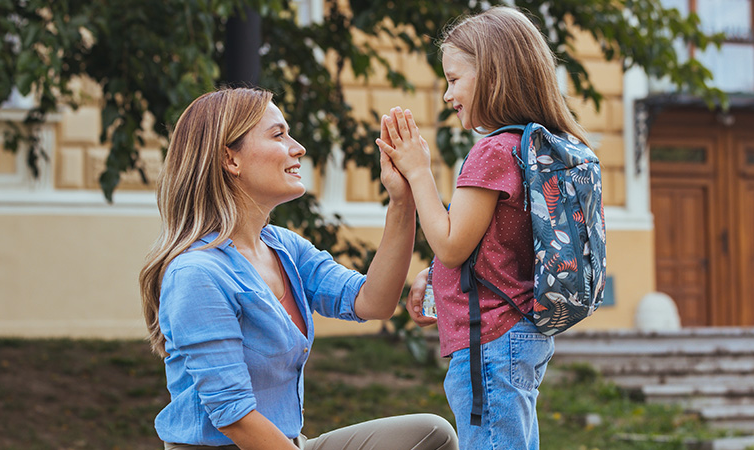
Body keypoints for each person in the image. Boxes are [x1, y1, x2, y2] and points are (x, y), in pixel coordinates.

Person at [138, 87, 458, 450]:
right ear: (231, 159)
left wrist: (402, 200)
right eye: (278, 135)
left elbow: (372, 301)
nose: (298, 147)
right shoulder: (197, 274)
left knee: (431, 436)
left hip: (291, 443)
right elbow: (234, 417)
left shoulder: (281, 246)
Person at [375, 6, 593, 450]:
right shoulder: (533, 145)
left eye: (454, 80)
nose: (447, 94)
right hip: (520, 336)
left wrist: (419, 172)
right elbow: (493, 247)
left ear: (493, 76)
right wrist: (433, 277)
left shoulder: (494, 151)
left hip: (490, 343)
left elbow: (453, 245)